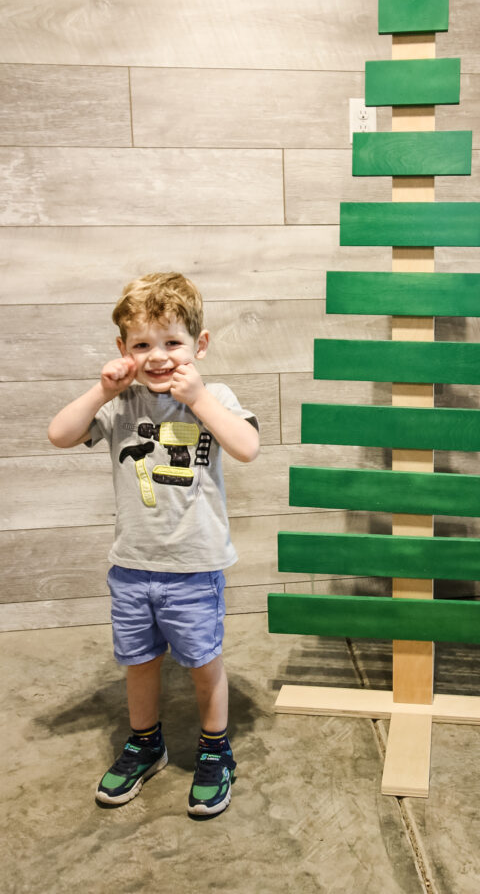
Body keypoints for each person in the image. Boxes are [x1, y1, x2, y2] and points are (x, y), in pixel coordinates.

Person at [47, 272, 259, 818]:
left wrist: (200, 398)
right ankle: (146, 742)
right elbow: (60, 433)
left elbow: (246, 446)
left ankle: (215, 748)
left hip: (193, 567)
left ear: (199, 345)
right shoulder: (122, 404)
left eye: (173, 343)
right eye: (143, 345)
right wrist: (105, 388)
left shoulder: (216, 398)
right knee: (139, 662)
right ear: (123, 350)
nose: (158, 357)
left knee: (202, 662)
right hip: (133, 567)